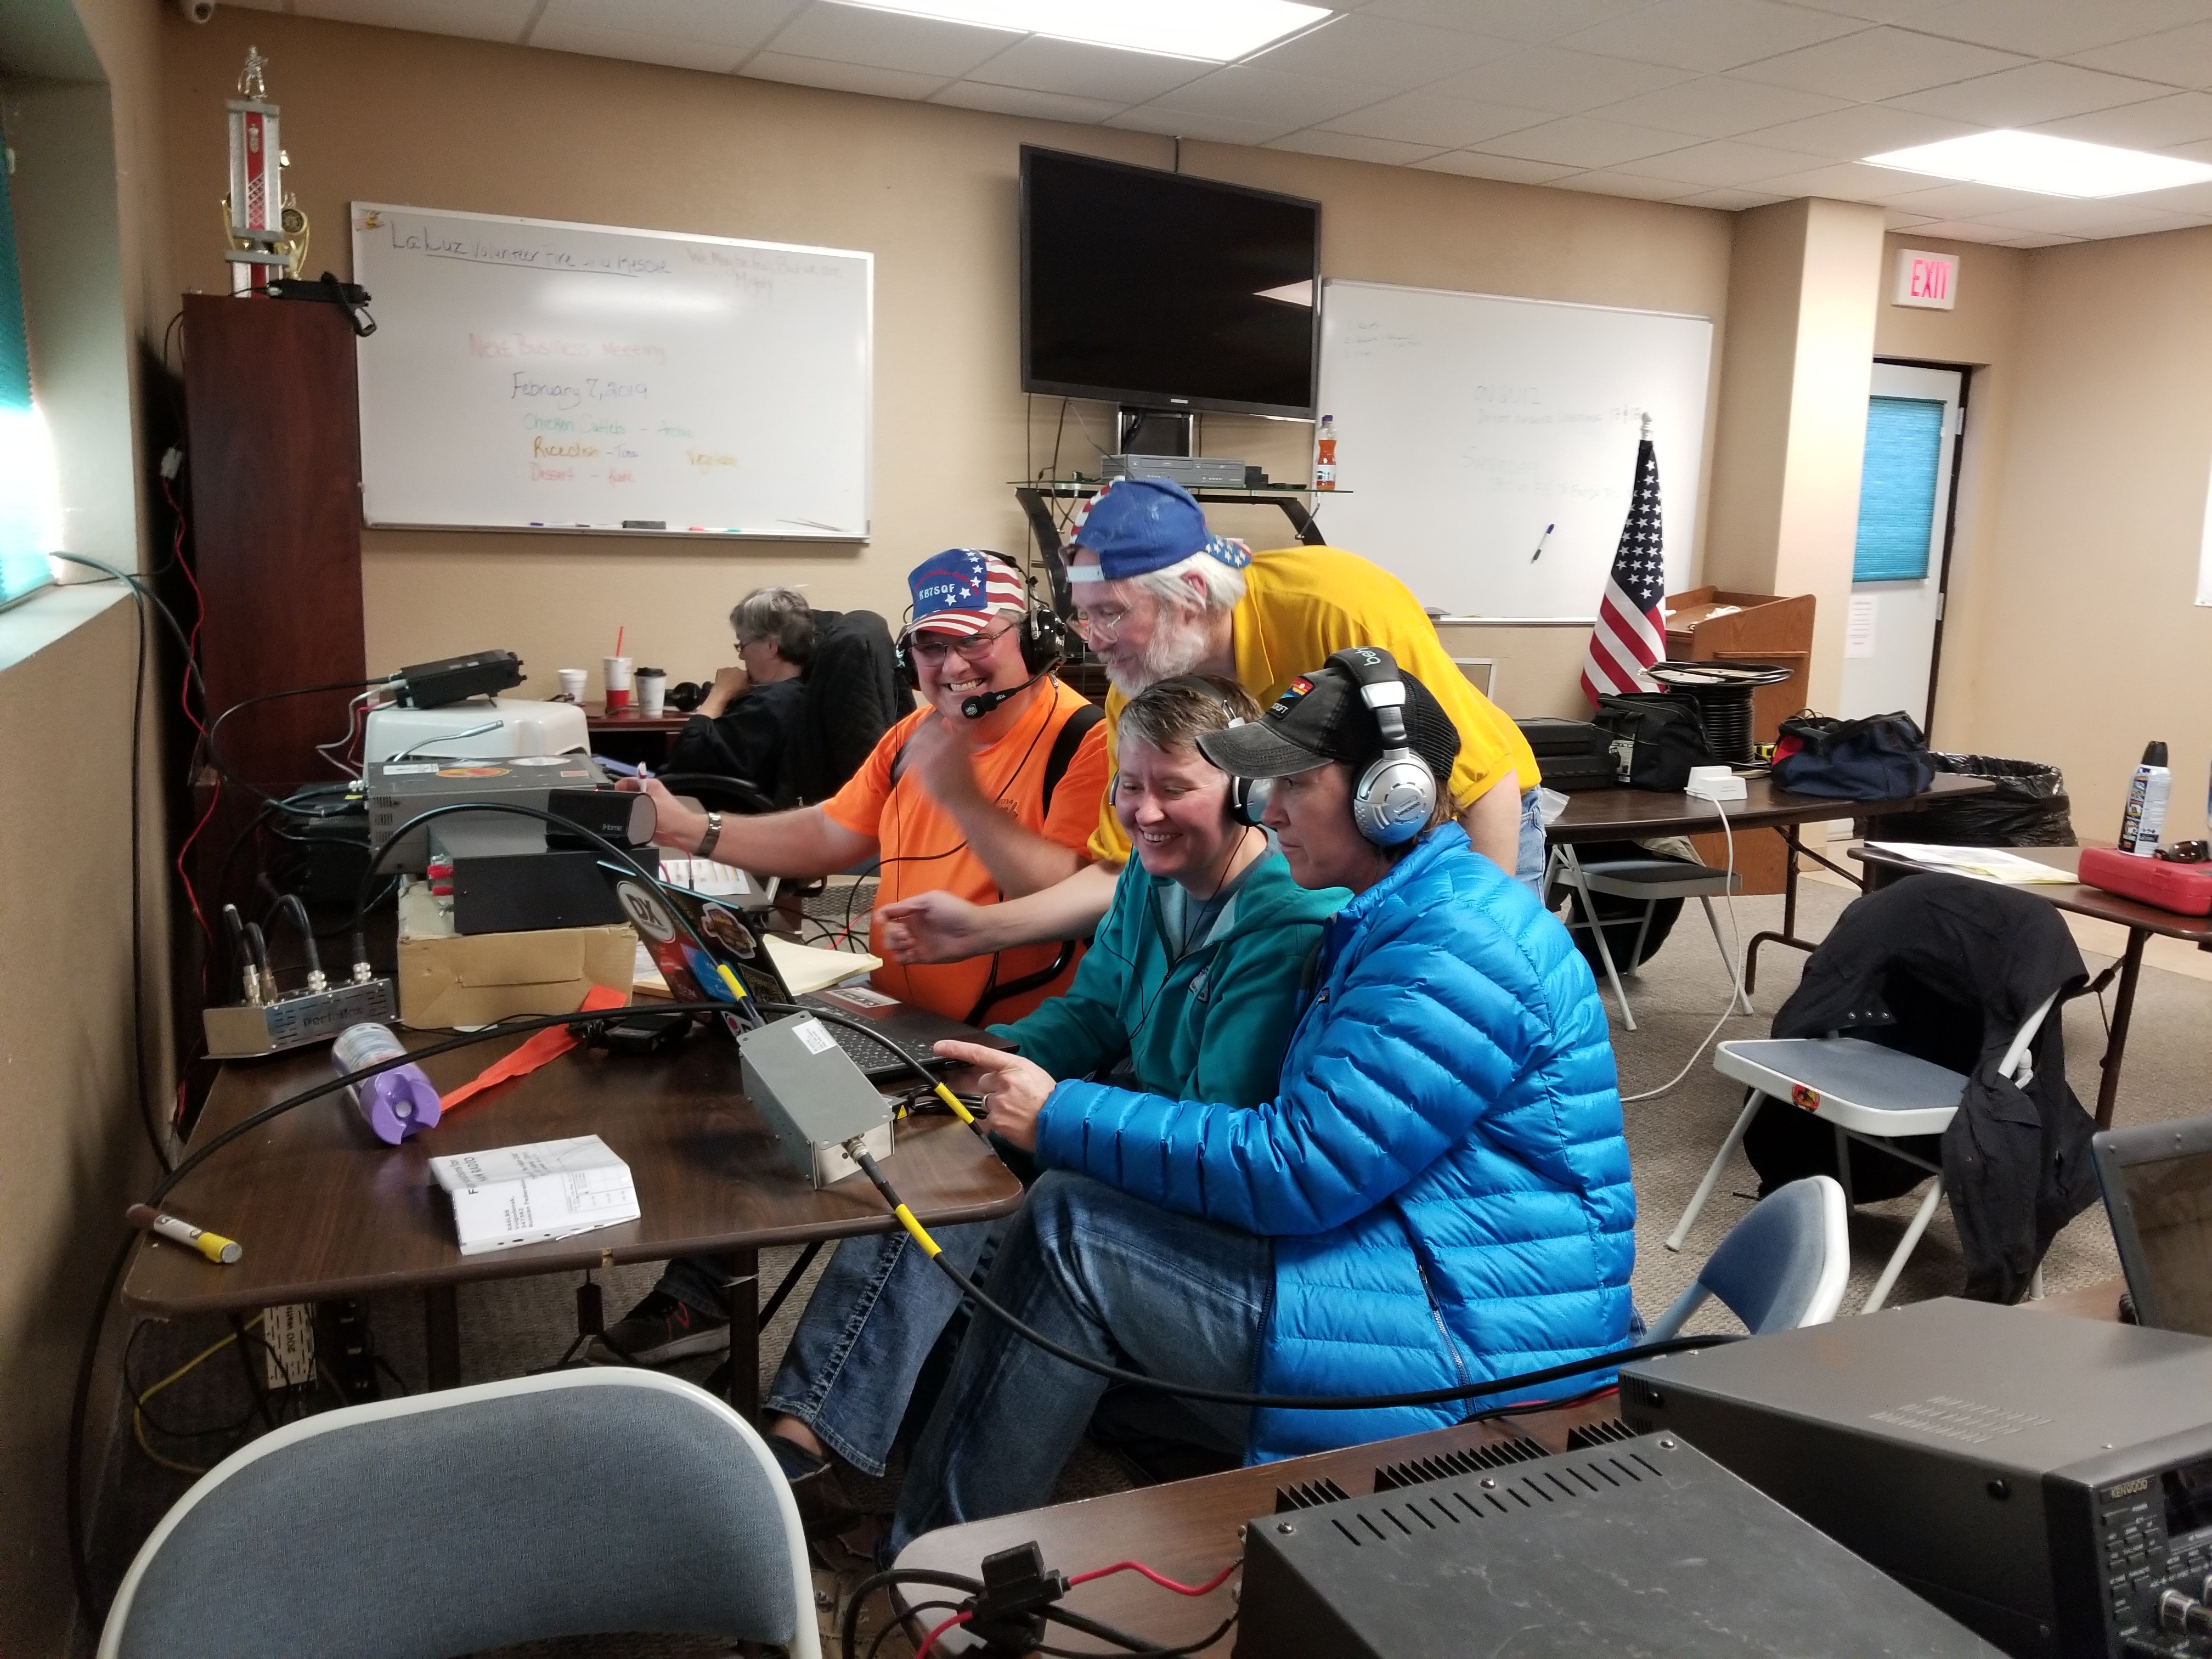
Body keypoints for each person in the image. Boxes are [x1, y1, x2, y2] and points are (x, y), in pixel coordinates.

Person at [888, 648, 1634, 1549]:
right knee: (1053, 1299)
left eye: (1294, 783)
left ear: (1389, 797)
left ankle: (935, 1577)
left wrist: (1058, 1116)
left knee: (1068, 1229)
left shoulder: (1452, 947)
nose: (1268, 809)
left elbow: (1296, 1169)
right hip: (1425, 1276)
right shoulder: (1404, 912)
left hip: (1478, 1349)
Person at [755, 676, 1344, 1532]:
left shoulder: (1287, 920)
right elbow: (1095, 1010)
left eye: (1174, 787)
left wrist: (1056, 1113)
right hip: (1139, 1124)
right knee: (949, 1145)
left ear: (1245, 793)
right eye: (1130, 786)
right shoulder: (1152, 877)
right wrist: (990, 1061)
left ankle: (822, 1436)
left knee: (978, 1194)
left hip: (1201, 1187)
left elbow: (1219, 1122)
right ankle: (805, 1438)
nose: (1144, 812)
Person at [600, 549, 1110, 1365]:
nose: (952, 665)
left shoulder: (1085, 740)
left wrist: (961, 795)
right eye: (932, 645)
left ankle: (795, 1375)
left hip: (998, 1047)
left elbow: (1079, 893)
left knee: (892, 1162)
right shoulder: (914, 737)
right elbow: (831, 833)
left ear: (1034, 639)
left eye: (975, 641)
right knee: (744, 1060)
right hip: (894, 1018)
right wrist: (694, 830)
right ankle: (703, 1293)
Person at [877, 477, 1547, 976]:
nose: (1093, 639)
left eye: (1110, 613)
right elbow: (1127, 871)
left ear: (1192, 597)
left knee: (1467, 998)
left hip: (1453, 817)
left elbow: (1480, 785)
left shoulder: (1336, 604)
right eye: (1083, 613)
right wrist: (981, 929)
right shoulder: (1139, 686)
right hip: (1313, 832)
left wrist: (1469, 948)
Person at [663, 585, 812, 809]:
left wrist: (719, 694)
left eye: (742, 645)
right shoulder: (792, 693)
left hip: (712, 813)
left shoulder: (771, 706)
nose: (741, 655)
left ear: (771, 646)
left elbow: (685, 758)